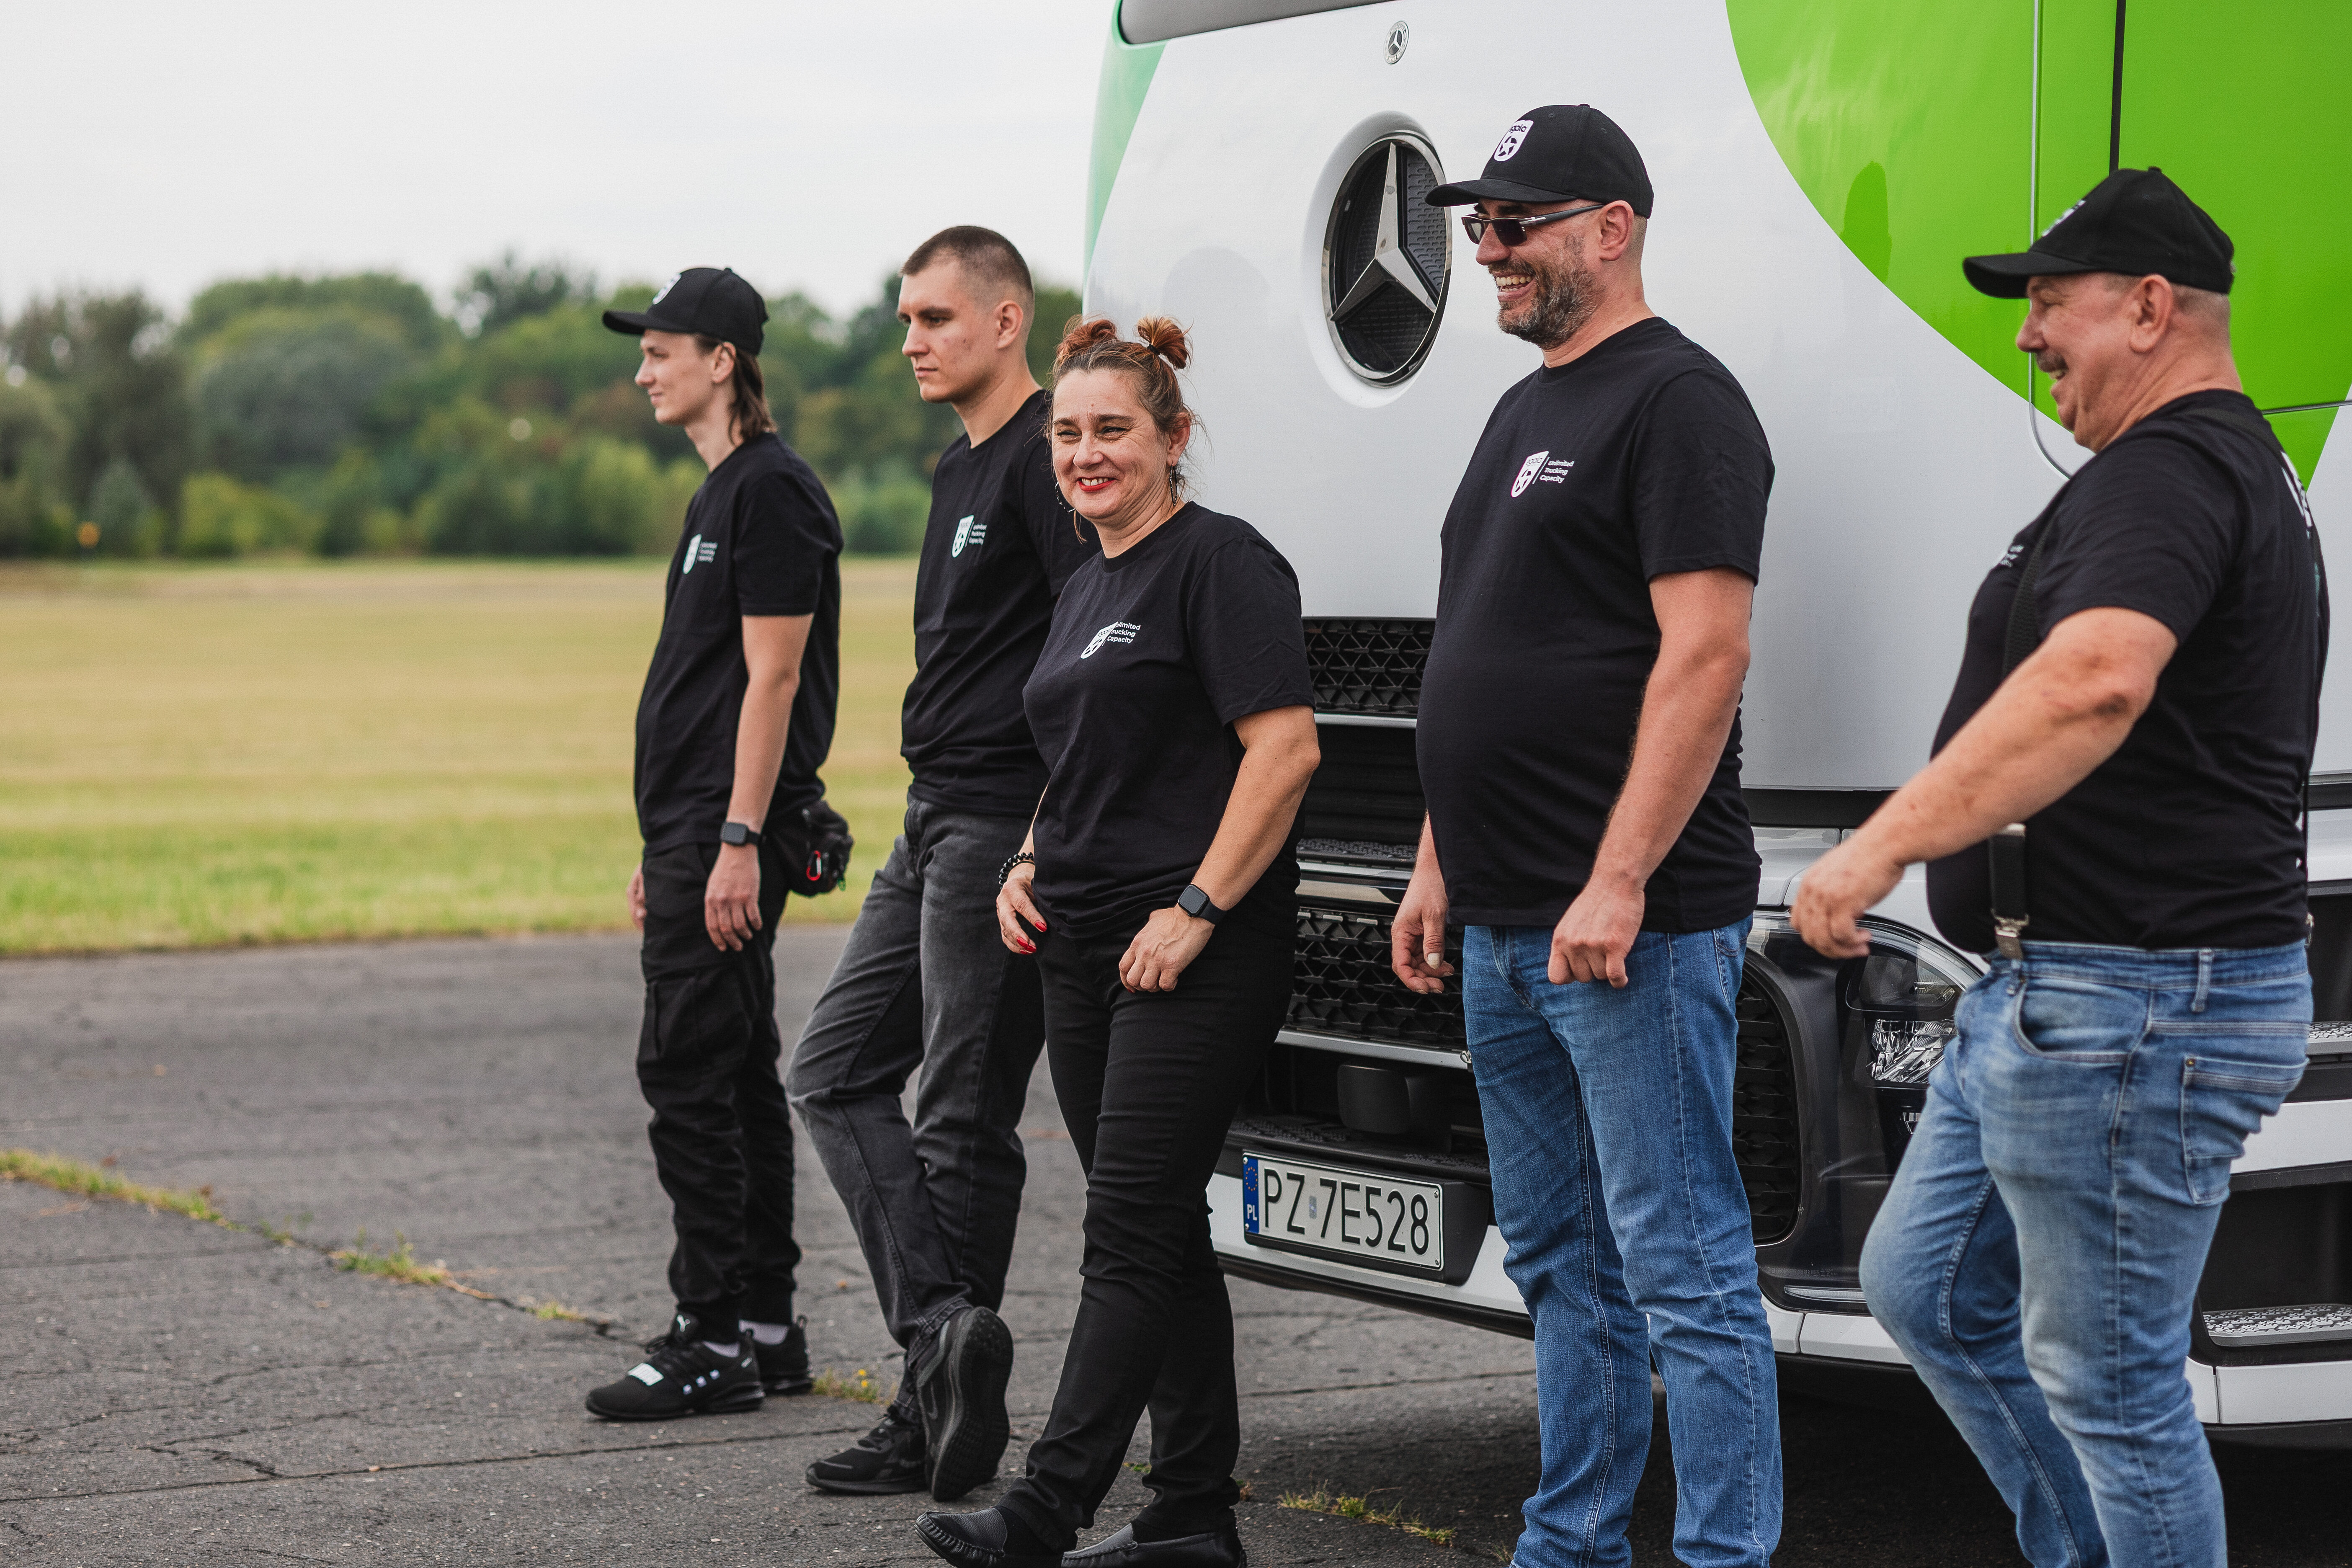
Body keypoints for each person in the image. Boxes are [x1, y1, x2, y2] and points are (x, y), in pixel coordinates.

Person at [1794, 168, 2324, 1568]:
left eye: (2050, 304)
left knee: (2114, 1384)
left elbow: (2095, 684)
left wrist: (1876, 850)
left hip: (2134, 1007)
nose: (2028, 334)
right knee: (1925, 1289)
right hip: (2062, 996)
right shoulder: (2190, 466)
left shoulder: (2170, 469)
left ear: (2151, 308)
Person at [1393, 105, 1782, 1568]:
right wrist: (1440, 858)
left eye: (1516, 222)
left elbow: (1706, 654)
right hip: (1502, 919)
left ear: (1610, 229)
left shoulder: (1680, 403)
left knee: (1683, 1271)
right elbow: (1478, 650)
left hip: (1632, 928)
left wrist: (1618, 879)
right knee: (1560, 1262)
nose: (1486, 248)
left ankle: (1724, 1555)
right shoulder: (1519, 410)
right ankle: (1573, 1545)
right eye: (1477, 224)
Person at [915, 317, 1320, 1568]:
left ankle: (1049, 1502)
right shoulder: (1086, 581)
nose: (1085, 455)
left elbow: (1286, 750)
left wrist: (1195, 910)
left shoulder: (1222, 563)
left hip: (1189, 951)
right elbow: (1078, 756)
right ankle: (1194, 1515)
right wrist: (1030, 858)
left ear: (1174, 438)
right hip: (1081, 946)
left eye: (1113, 432)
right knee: (1160, 1229)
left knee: (1128, 1233)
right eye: (1069, 434)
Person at [789, 227, 1096, 1501]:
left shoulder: (1043, 463)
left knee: (965, 1119)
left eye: (935, 319)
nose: (911, 340)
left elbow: (1095, 651)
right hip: (929, 819)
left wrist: (1046, 832)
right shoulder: (954, 468)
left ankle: (938, 1424)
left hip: (1003, 829)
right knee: (833, 1068)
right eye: (906, 320)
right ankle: (942, 1349)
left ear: (1009, 318)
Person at [583, 266, 844, 1421]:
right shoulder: (721, 493)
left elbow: (774, 677)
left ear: (723, 361)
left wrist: (736, 836)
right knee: (734, 1073)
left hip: (730, 830)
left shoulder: (771, 492)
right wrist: (673, 840)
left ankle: (710, 1334)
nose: (644, 367)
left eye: (662, 348)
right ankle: (767, 1331)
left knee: (686, 1071)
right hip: (694, 829)